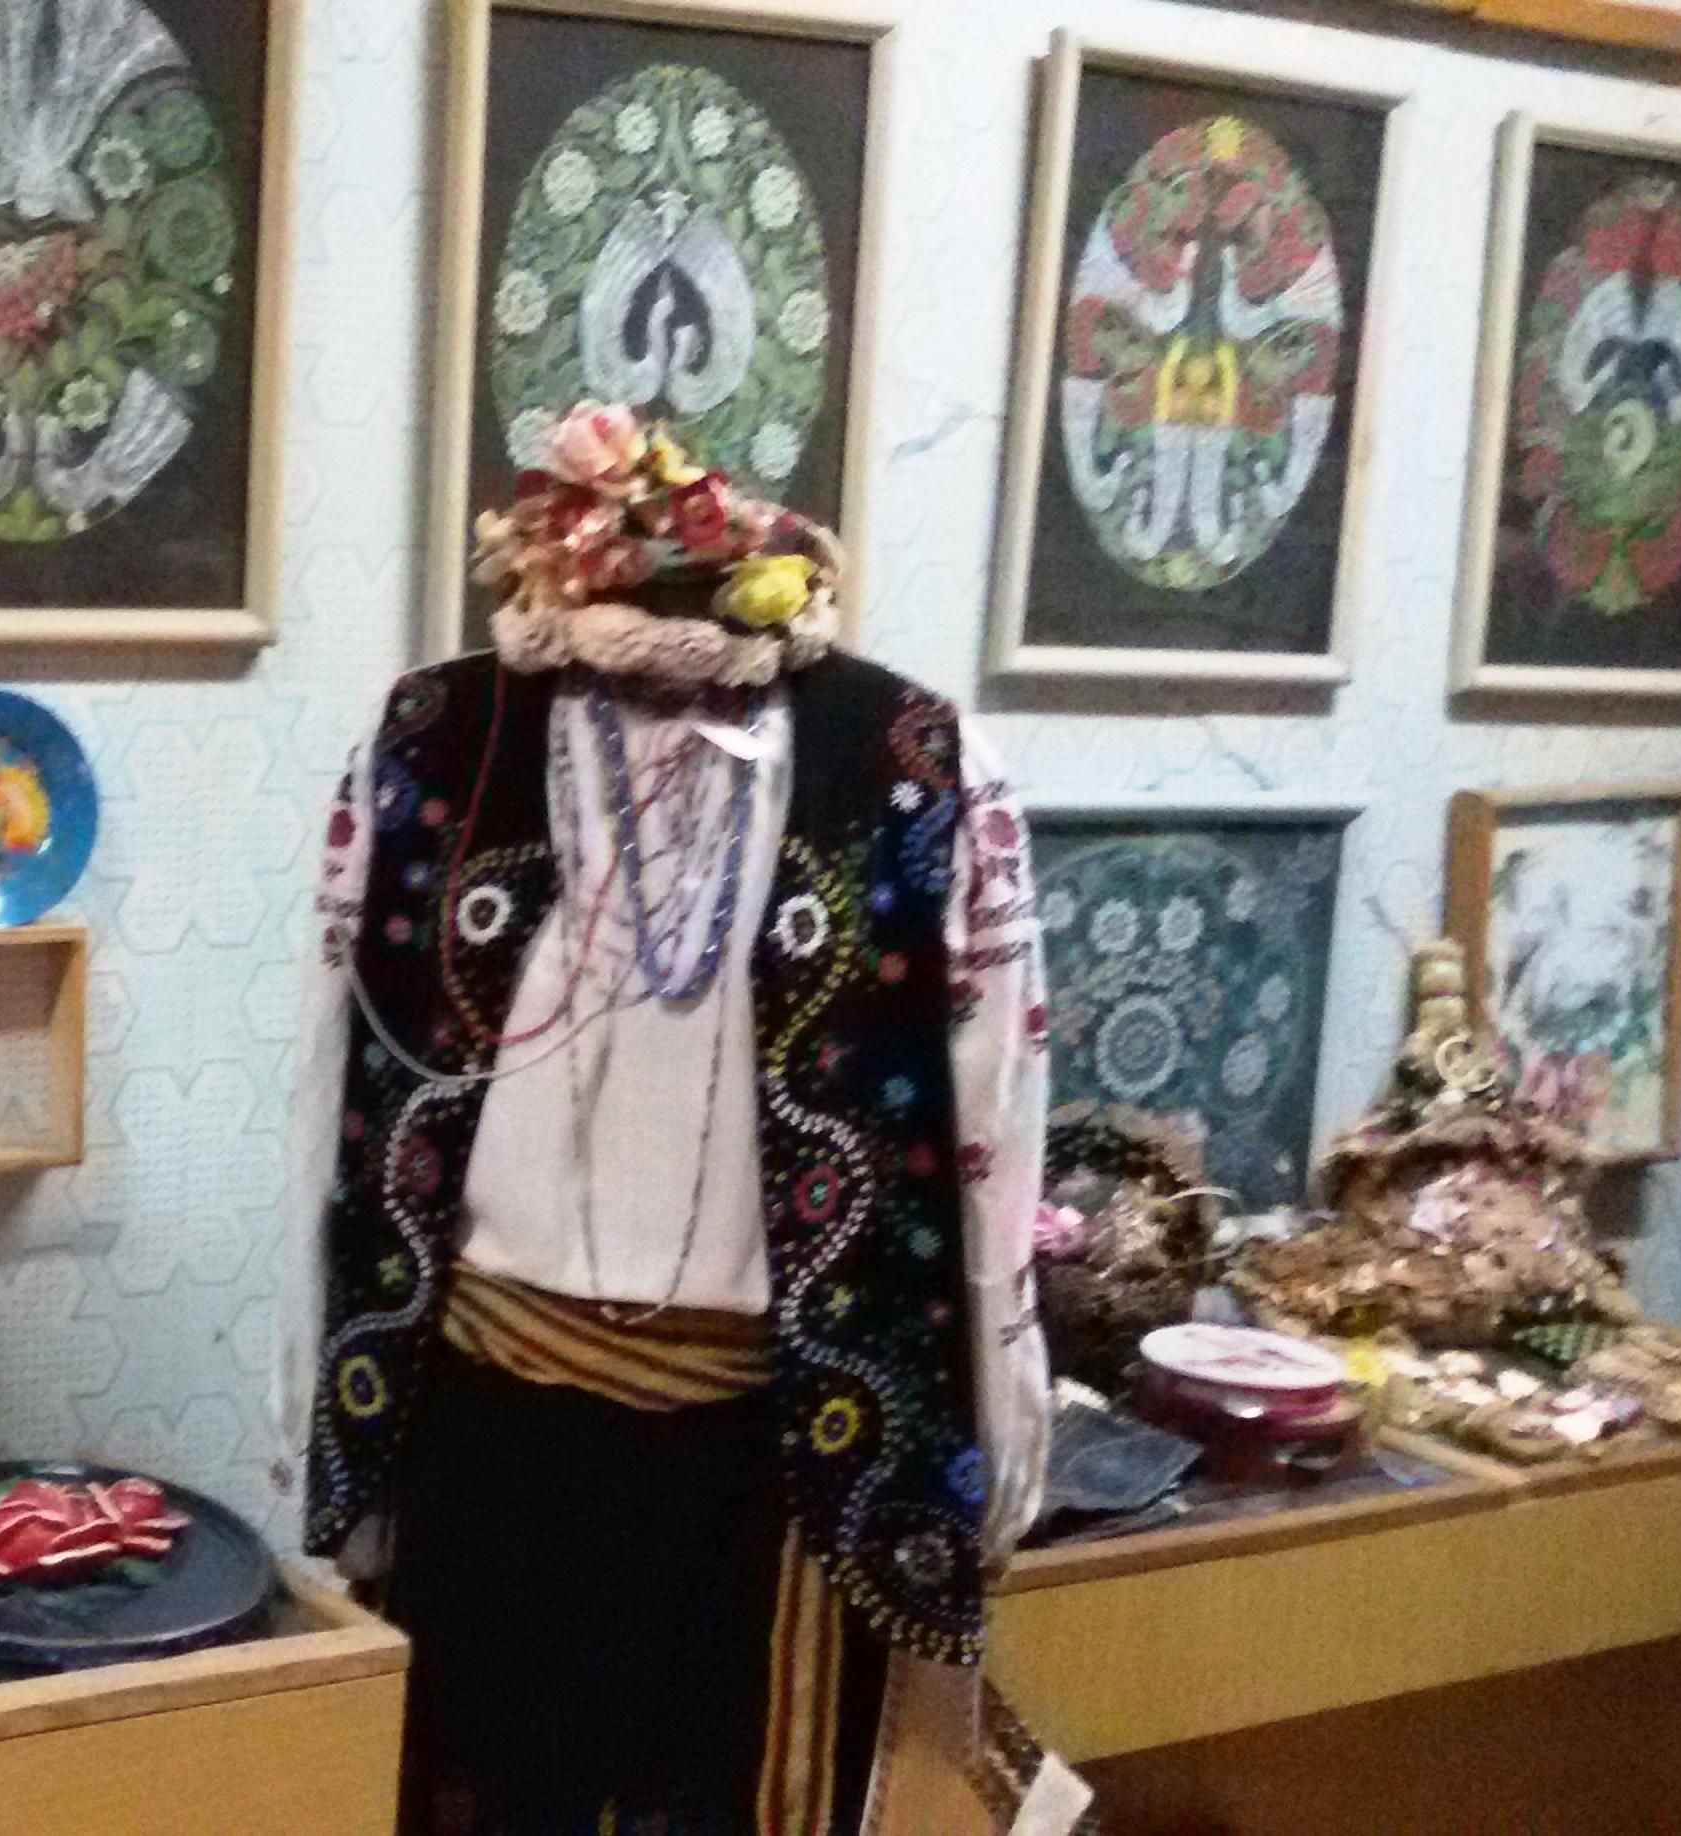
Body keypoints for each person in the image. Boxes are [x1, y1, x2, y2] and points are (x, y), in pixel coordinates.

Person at [278, 408, 1052, 1833]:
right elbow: (335, 1096)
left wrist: (1000, 1421)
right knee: (487, 1792)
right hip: (486, 1426)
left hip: (785, 1450)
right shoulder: (436, 740)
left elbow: (992, 1129)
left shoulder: (916, 763)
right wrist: (321, 1406)